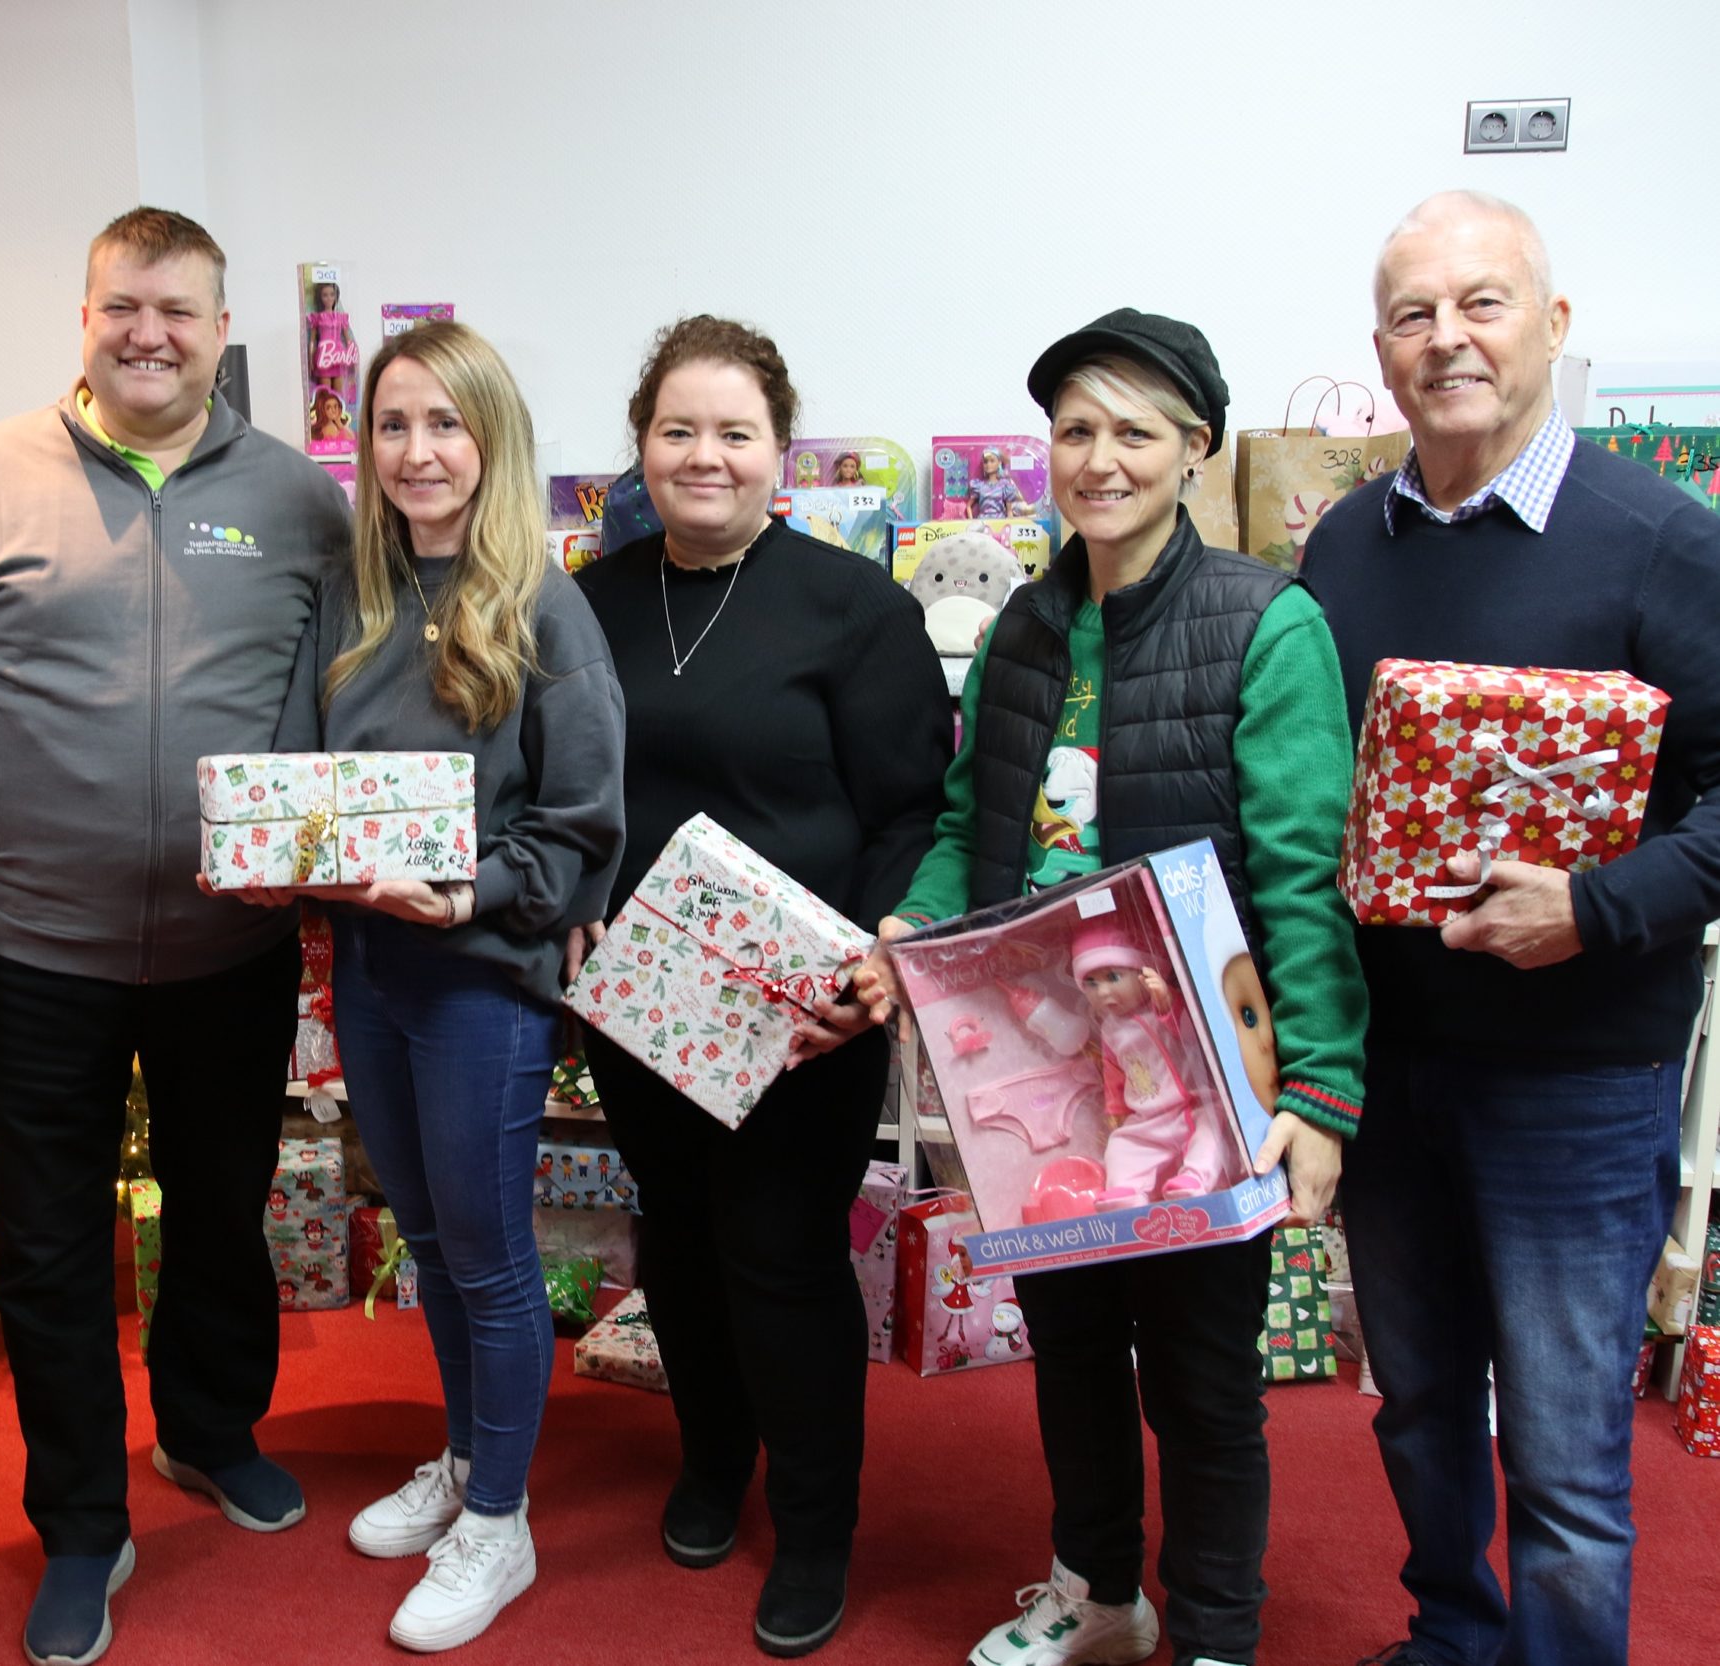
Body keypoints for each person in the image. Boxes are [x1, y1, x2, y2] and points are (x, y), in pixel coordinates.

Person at [0, 206, 351, 1666]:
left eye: (180, 312)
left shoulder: (296, 498)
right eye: (124, 306)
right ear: (85, 316)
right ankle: (81, 1521)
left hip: (231, 946)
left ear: (218, 328)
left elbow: (333, 706)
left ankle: (209, 1430)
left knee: (221, 1208)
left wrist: (335, 884)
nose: (150, 334)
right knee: (53, 1247)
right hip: (37, 951)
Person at [857, 308, 1366, 1666]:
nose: (1100, 458)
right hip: (1041, 1069)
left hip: (1200, 1069)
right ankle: (1100, 1597)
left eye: (1134, 430)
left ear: (1194, 448)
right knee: (1071, 1352)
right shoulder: (1025, 629)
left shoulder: (1268, 622)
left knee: (1204, 1383)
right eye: (1076, 429)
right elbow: (975, 824)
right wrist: (919, 918)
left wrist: (1318, 1086)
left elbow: (1307, 874)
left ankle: (1213, 1634)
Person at [1308, 191, 1720, 1666]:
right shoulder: (1343, 547)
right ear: (1381, 349)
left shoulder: (1663, 541)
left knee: (1563, 1454)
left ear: (1553, 325)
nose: (1449, 338)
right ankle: (1456, 1635)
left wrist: (1597, 908)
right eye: (1417, 314)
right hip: (1389, 1063)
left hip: (1578, 1078)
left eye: (1484, 303)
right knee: (1416, 1402)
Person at [573, 315, 950, 1657]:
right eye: (679, 429)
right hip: (646, 1000)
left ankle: (819, 1522)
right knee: (674, 1237)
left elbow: (912, 808)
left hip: (806, 1008)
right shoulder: (593, 600)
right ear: (642, 444)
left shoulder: (858, 609)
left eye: (734, 432)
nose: (705, 456)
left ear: (780, 453)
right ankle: (710, 1459)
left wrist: (885, 948)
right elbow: (566, 787)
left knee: (781, 1254)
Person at [252, 319, 626, 1651]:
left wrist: (473, 893)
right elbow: (303, 781)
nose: (419, 451)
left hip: (481, 977)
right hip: (370, 968)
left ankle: (504, 1518)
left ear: (491, 442)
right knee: (425, 1234)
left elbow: (584, 820)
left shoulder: (542, 601)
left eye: (446, 424)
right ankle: (470, 1465)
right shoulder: (349, 595)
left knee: (489, 1254)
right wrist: (279, 854)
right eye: (395, 424)